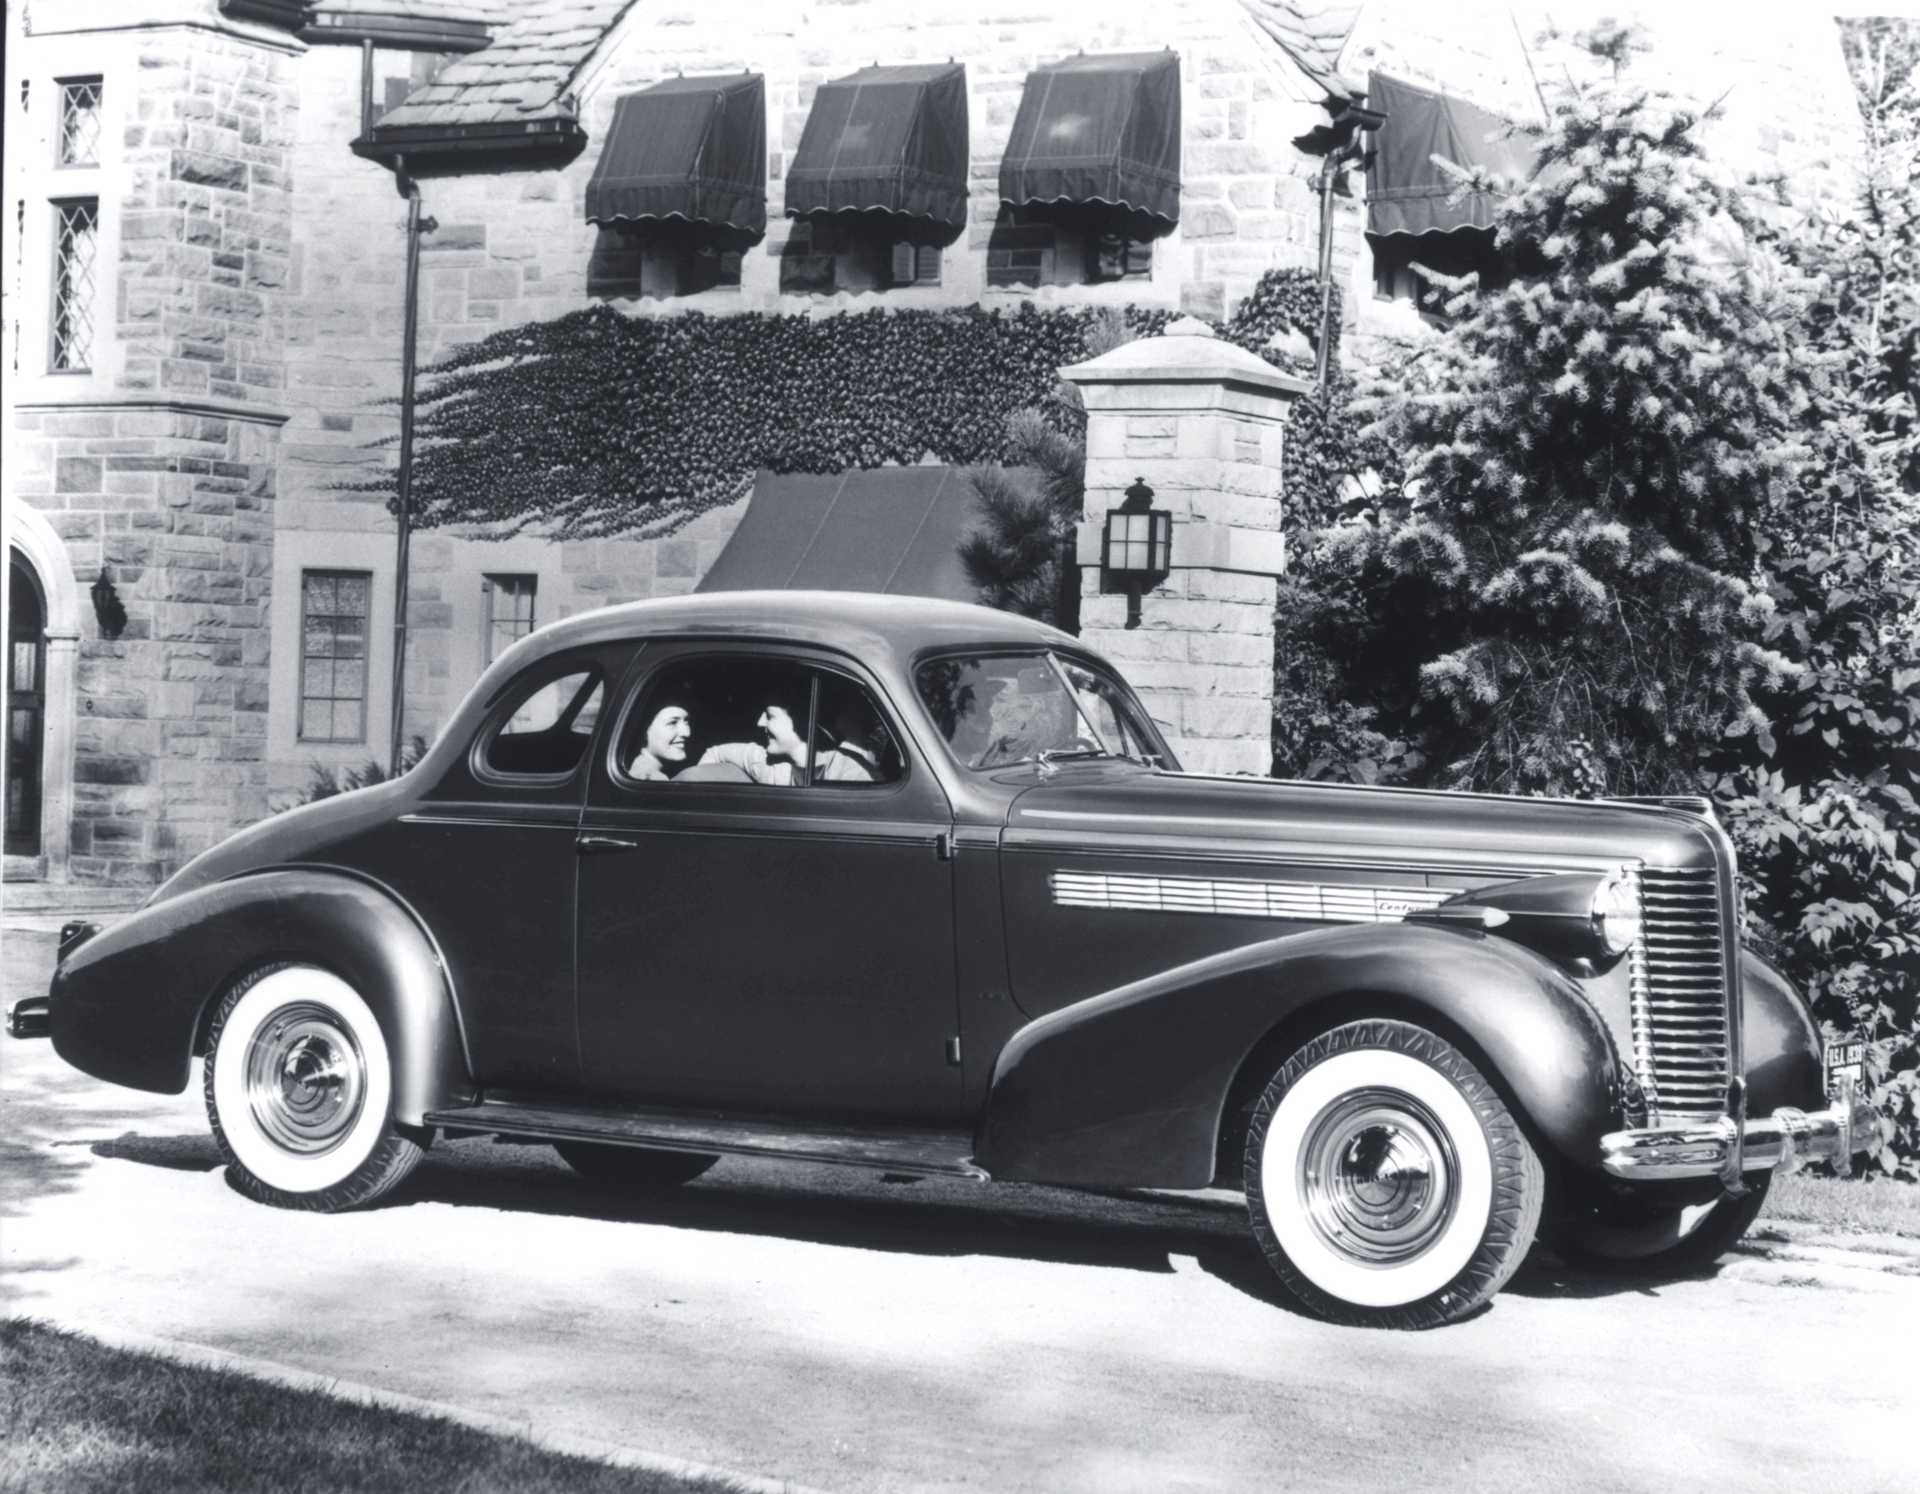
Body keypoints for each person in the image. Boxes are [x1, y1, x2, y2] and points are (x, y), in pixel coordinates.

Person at [629, 703, 691, 781]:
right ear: (645, 730)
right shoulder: (651, 779)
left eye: (687, 722)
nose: (687, 733)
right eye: (672, 723)